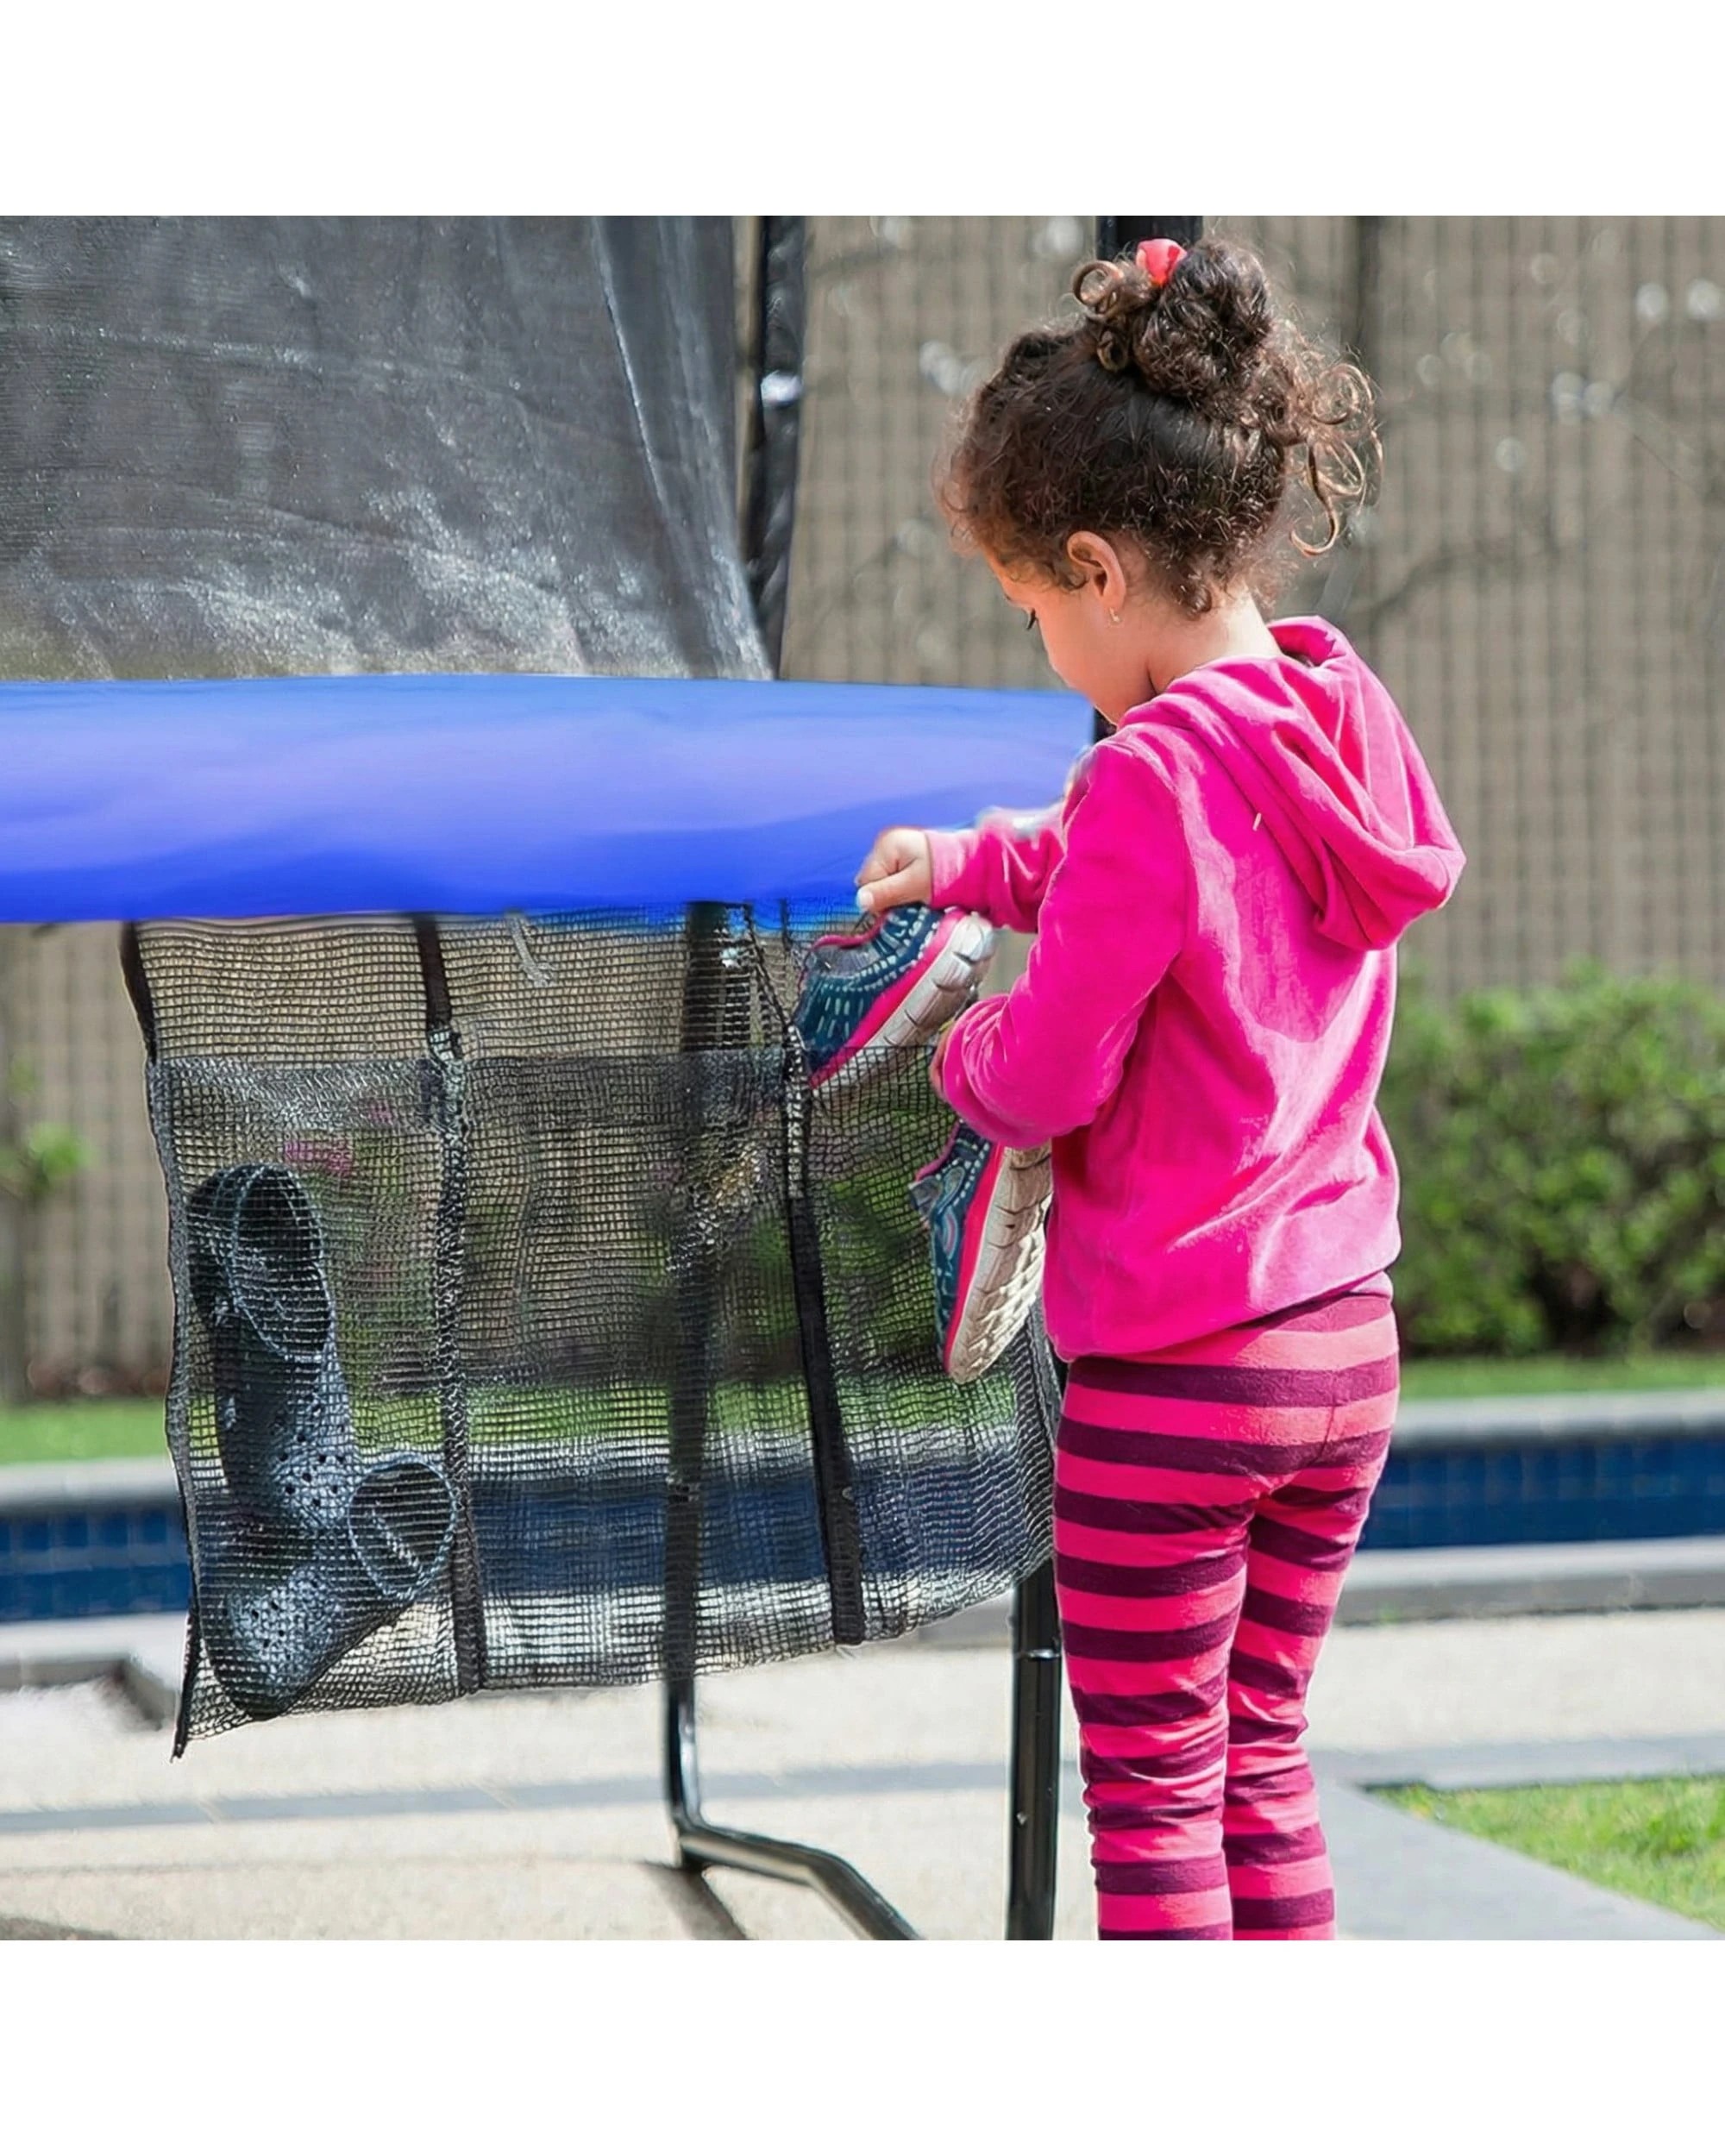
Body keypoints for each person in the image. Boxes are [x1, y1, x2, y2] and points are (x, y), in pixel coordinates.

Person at [848, 235, 1465, 1939]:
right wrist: (975, 861)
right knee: (1260, 1757)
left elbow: (1047, 1070)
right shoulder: (1330, 715)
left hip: (1181, 1379)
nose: (1040, 642)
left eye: (1033, 608)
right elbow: (1167, 868)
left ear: (1100, 567)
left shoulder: (1144, 779)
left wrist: (956, 1047)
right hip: (1342, 1344)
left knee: (1153, 1796)